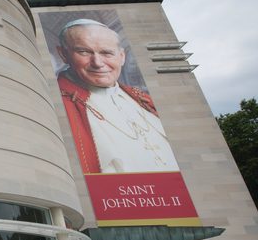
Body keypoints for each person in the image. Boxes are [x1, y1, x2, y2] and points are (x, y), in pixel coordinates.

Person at [55, 19, 180, 174]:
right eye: (84, 52)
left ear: (122, 56)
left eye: (107, 53)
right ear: (63, 54)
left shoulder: (143, 99)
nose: (97, 63)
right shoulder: (56, 104)